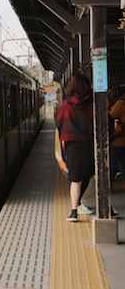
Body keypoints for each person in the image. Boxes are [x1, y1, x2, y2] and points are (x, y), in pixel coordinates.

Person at [55, 73, 94, 221]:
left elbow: (58, 122)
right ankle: (106, 207)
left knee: (75, 179)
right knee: (94, 174)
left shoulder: (65, 105)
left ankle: (73, 212)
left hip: (72, 145)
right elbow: (105, 123)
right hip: (90, 144)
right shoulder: (92, 104)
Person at [108, 85, 125, 188]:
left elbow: (110, 115)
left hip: (118, 138)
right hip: (122, 138)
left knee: (112, 162)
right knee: (123, 161)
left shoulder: (120, 103)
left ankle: (109, 184)